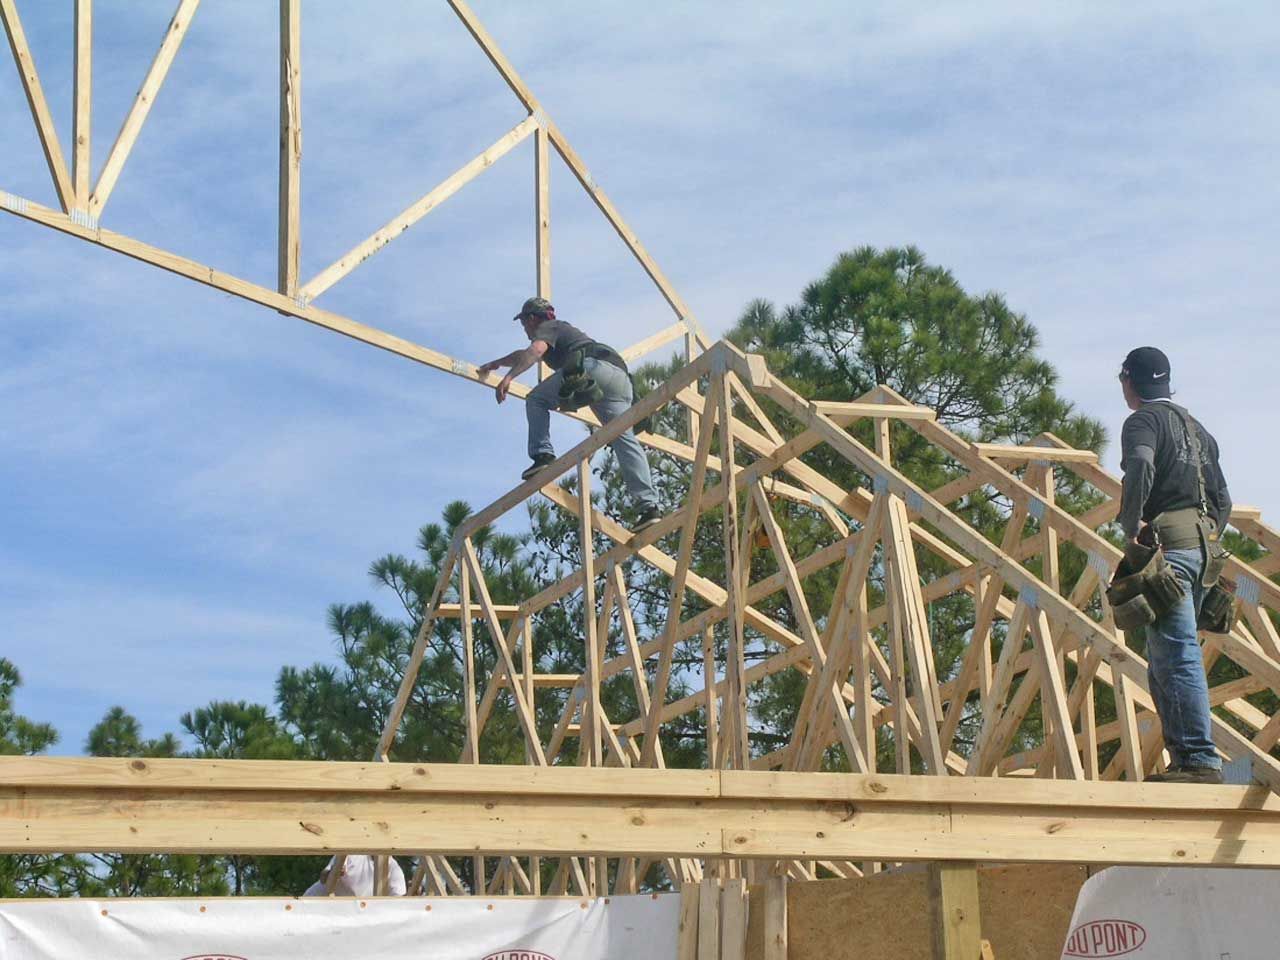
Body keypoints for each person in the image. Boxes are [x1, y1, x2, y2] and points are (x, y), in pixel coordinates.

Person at [1116, 346, 1232, 784]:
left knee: (1177, 654)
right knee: (1164, 656)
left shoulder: (1142, 421)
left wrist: (1133, 524)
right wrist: (1205, 536)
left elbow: (1142, 463)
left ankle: (1199, 760)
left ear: (1130, 381)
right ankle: (1185, 758)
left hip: (1173, 555)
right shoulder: (1198, 429)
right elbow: (1223, 499)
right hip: (1204, 554)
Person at [477, 297, 662, 531]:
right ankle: (649, 507)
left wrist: (509, 377)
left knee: (536, 399)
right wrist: (497, 363)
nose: (524, 328)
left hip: (592, 367)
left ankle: (542, 455)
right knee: (624, 440)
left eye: (524, 323)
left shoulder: (548, 328)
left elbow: (535, 350)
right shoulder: (559, 332)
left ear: (532, 319)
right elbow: (523, 354)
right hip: (619, 379)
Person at [302, 854, 406, 896]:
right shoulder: (353, 854)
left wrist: (413, 895)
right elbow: (324, 878)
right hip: (315, 904)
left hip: (342, 915)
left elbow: (399, 902)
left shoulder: (393, 869)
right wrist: (334, 872)